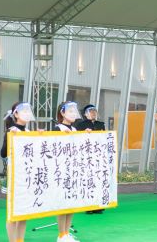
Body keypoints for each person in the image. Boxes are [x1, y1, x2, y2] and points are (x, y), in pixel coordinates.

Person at [0, 102, 35, 242]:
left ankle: (20, 240)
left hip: (26, 176)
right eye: (24, 111)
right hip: (15, 176)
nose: (27, 113)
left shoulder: (28, 132)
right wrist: (10, 137)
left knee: (23, 212)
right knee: (12, 213)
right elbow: (3, 153)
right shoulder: (11, 130)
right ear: (15, 114)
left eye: (28, 111)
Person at [55, 101, 81, 242]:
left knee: (71, 204)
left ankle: (66, 232)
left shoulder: (75, 130)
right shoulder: (57, 128)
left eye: (74, 111)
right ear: (62, 113)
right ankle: (61, 235)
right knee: (62, 203)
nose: (73, 114)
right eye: (70, 111)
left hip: (73, 170)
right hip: (61, 171)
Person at [75, 104, 106, 214]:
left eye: (94, 111)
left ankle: (98, 205)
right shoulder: (80, 125)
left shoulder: (100, 124)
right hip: (86, 156)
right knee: (88, 181)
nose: (93, 113)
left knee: (98, 180)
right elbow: (77, 139)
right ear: (85, 114)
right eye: (90, 111)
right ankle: (88, 205)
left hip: (98, 156)